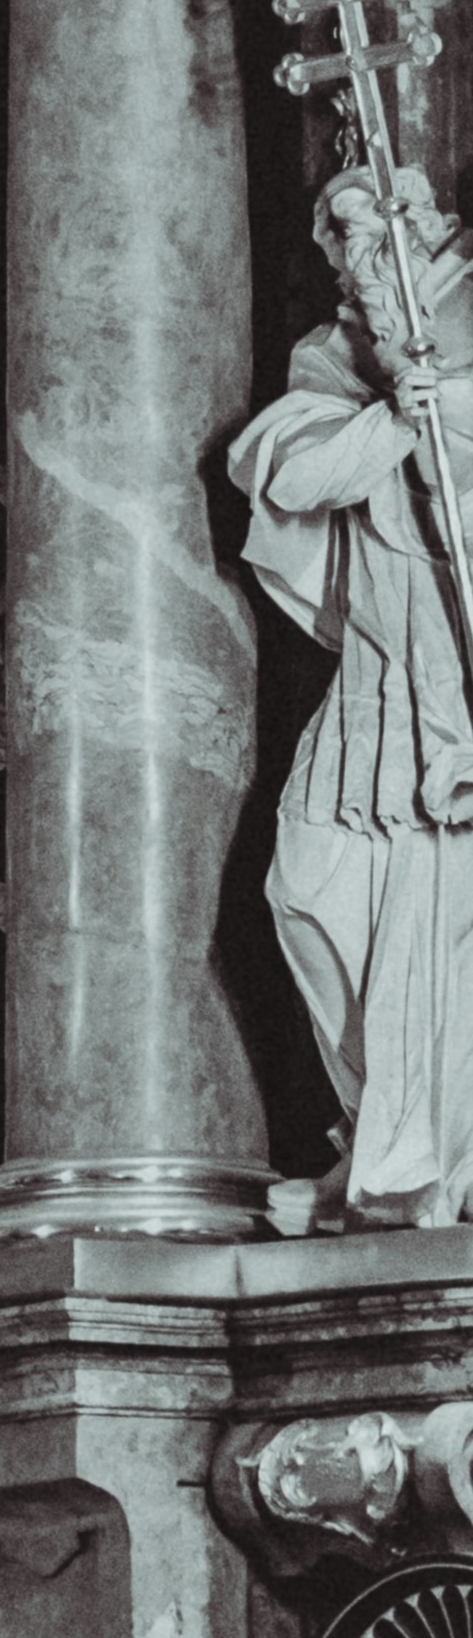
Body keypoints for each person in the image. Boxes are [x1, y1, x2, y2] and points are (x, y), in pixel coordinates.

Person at [236, 159, 473, 1219]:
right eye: (343, 250)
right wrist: (396, 423)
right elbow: (285, 471)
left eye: (375, 243)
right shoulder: (336, 361)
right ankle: (379, 1130)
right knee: (306, 889)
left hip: (457, 690)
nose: (360, 269)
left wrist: (448, 412)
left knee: (444, 946)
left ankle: (418, 1164)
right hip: (375, 687)